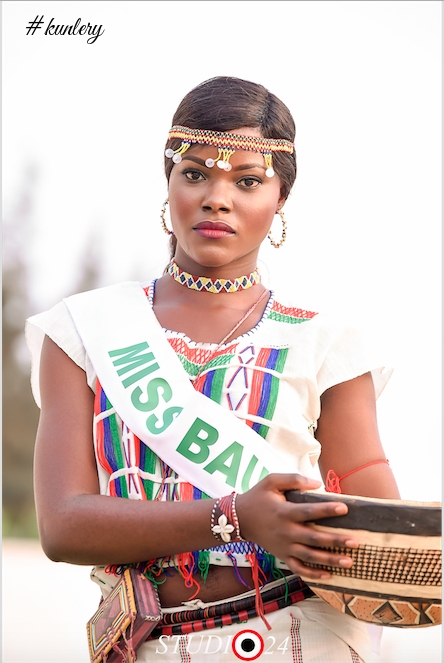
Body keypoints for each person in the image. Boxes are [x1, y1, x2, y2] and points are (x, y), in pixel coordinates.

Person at [26, 76, 400, 663]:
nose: (216, 198)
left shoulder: (328, 342)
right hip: (150, 644)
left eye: (247, 181)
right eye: (195, 173)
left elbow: (380, 537)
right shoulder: (84, 331)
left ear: (280, 199)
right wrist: (235, 517)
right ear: (168, 183)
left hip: (305, 638)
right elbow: (63, 527)